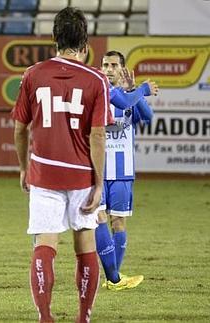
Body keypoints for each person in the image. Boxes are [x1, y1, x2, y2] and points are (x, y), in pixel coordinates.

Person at [12, 7, 111, 323]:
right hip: (82, 176)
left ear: (54, 39)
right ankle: (84, 317)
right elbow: (97, 134)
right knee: (85, 247)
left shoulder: (33, 74)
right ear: (85, 44)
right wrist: (99, 184)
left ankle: (45, 316)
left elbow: (19, 127)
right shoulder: (97, 79)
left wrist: (24, 168)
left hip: (44, 172)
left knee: (44, 245)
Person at [95, 51, 158, 290]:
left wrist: (135, 92)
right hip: (98, 169)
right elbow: (121, 101)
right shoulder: (100, 93)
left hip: (122, 171)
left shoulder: (127, 97)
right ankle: (114, 277)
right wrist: (139, 89)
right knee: (98, 220)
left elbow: (148, 116)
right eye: (105, 64)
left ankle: (114, 277)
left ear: (122, 68)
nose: (109, 69)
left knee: (118, 222)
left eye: (113, 65)